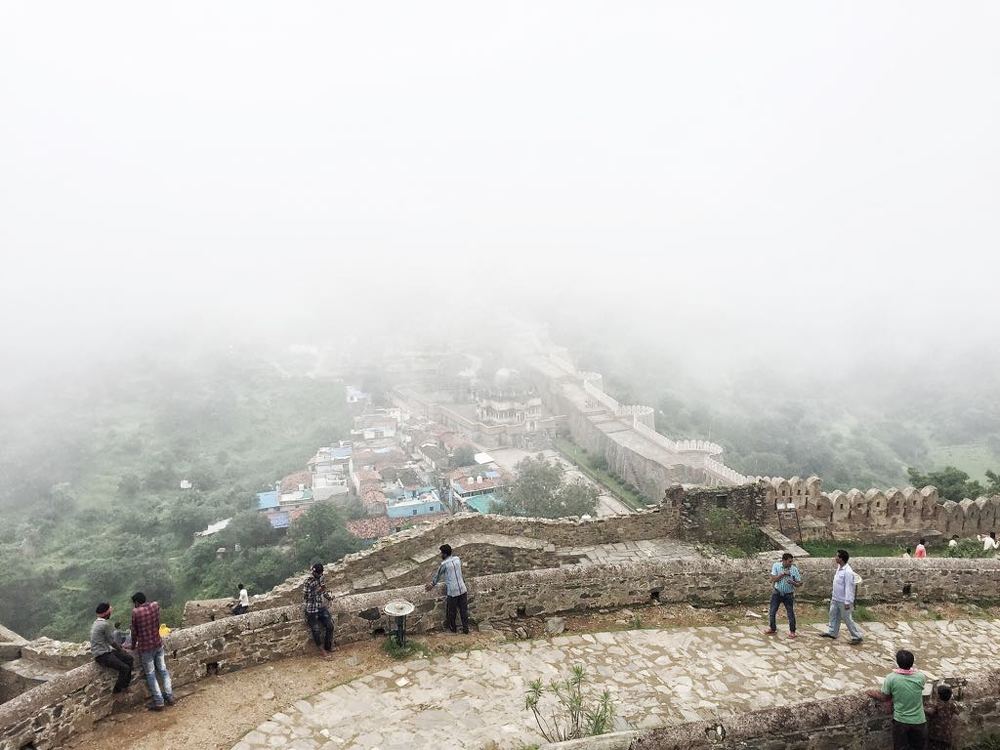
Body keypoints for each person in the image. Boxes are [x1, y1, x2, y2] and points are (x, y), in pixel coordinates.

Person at [867, 649, 927, 750]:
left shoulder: (891, 678)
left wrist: (870, 692)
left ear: (897, 662)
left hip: (901, 721)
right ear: (912, 663)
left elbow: (884, 697)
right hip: (919, 721)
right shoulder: (920, 677)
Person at [130, 592, 175, 711]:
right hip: (158, 644)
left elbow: (134, 632)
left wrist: (133, 646)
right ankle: (169, 696)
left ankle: (159, 701)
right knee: (163, 670)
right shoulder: (155, 606)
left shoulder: (136, 612)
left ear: (136, 603)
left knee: (151, 674)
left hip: (145, 648)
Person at [819, 549, 863, 644]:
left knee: (847, 619)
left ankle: (857, 636)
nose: (835, 558)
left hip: (843, 600)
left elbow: (848, 587)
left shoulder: (848, 572)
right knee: (833, 615)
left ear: (841, 559)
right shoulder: (839, 567)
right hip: (835, 598)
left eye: (837, 556)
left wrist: (847, 602)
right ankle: (832, 632)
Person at [425, 544, 469, 634]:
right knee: (463, 611)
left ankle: (453, 629)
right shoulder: (457, 559)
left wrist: (432, 584)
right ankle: (466, 629)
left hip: (453, 592)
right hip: (462, 588)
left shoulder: (444, 564)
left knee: (451, 612)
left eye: (441, 553)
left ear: (444, 554)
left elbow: (438, 576)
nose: (441, 555)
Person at [90, 602, 134, 694]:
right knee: (125, 668)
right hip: (102, 655)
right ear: (106, 613)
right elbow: (112, 642)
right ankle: (117, 691)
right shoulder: (104, 625)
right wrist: (121, 650)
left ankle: (125, 686)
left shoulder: (97, 623)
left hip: (106, 651)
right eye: (110, 612)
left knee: (129, 659)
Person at [763, 552, 802, 639]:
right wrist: (783, 574)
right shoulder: (776, 566)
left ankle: (792, 631)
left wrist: (793, 582)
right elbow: (773, 579)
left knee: (790, 613)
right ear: (783, 560)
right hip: (777, 593)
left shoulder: (794, 569)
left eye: (791, 561)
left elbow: (799, 583)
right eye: (789, 561)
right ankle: (772, 628)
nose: (790, 563)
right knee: (772, 611)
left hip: (788, 594)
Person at [303, 563, 334, 657]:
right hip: (311, 608)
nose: (320, 575)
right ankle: (322, 651)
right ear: (314, 572)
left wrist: (328, 597)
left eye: (321, 574)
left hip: (320, 606)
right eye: (318, 574)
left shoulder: (321, 577)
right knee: (316, 630)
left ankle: (328, 646)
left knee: (330, 626)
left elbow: (323, 590)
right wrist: (318, 591)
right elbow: (306, 597)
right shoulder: (308, 581)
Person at [926, 683, 959, 750]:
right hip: (947, 734)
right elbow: (957, 712)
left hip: (936, 735)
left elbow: (930, 712)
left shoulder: (937, 705)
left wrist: (922, 708)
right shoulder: (952, 704)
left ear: (938, 695)